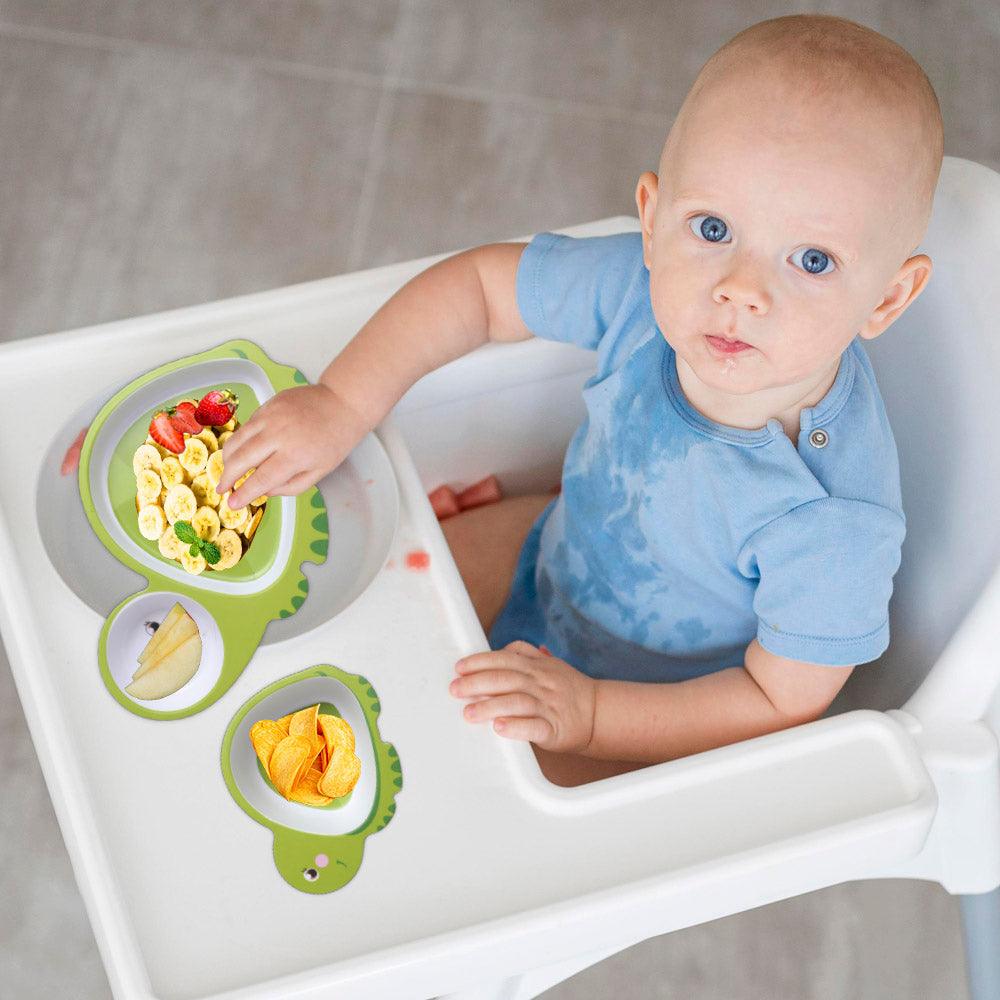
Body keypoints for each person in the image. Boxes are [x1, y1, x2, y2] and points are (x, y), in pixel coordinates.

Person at [217, 14, 944, 786]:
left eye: (812, 260)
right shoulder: (642, 287)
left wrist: (591, 713)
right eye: (712, 227)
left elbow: (781, 699)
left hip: (660, 703)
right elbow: (480, 288)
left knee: (470, 788)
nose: (741, 289)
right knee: (353, 600)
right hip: (550, 556)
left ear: (887, 298)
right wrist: (341, 401)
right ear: (652, 218)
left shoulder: (832, 523)